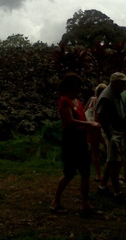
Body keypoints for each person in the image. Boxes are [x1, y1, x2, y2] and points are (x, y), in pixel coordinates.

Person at [50, 73, 102, 216]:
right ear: (71, 86)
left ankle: (86, 205)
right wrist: (89, 124)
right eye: (78, 85)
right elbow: (69, 121)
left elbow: (82, 120)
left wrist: (90, 127)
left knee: (86, 172)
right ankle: (55, 201)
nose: (80, 88)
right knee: (69, 173)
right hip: (70, 140)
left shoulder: (78, 102)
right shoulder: (64, 101)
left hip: (80, 140)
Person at [96, 72, 126, 203]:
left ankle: (102, 186)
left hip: (116, 131)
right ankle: (117, 192)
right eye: (122, 82)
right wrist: (110, 136)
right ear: (115, 83)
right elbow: (101, 117)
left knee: (112, 160)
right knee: (115, 162)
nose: (124, 85)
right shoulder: (106, 96)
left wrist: (124, 117)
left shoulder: (116, 93)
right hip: (112, 133)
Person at [84, 84, 107, 182]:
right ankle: (114, 172)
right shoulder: (105, 101)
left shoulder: (92, 99)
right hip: (102, 128)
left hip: (92, 127)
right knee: (110, 150)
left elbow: (84, 111)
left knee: (95, 151)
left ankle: (98, 175)